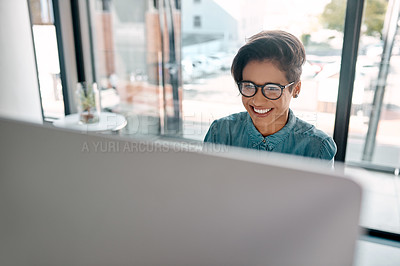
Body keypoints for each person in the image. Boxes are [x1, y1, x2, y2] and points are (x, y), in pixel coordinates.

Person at [204, 30, 337, 163]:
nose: (257, 100)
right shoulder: (220, 132)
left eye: (272, 89)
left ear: (296, 88)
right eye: (249, 86)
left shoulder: (317, 147)